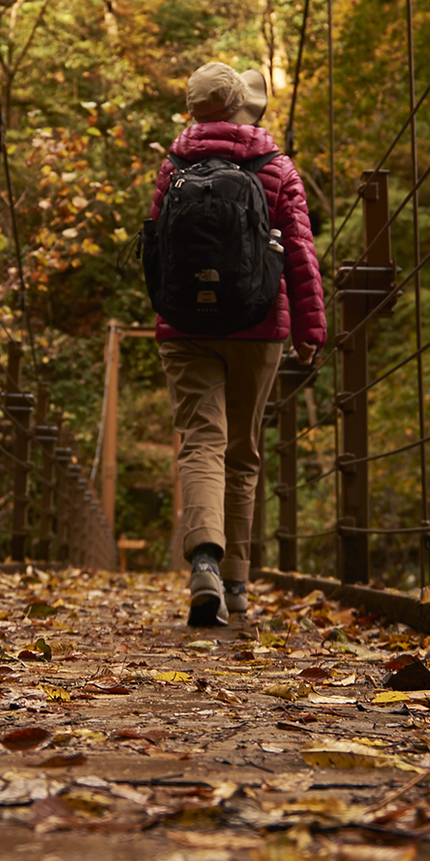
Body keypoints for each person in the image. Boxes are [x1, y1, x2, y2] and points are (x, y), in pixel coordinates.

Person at [148, 62, 325, 626]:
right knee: (243, 454)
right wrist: (310, 328)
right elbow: (298, 250)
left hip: (184, 326)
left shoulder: (172, 166)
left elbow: (156, 247)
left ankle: (204, 560)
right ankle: (240, 585)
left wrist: (169, 310)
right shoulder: (276, 167)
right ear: (240, 108)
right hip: (257, 324)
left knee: (201, 443)